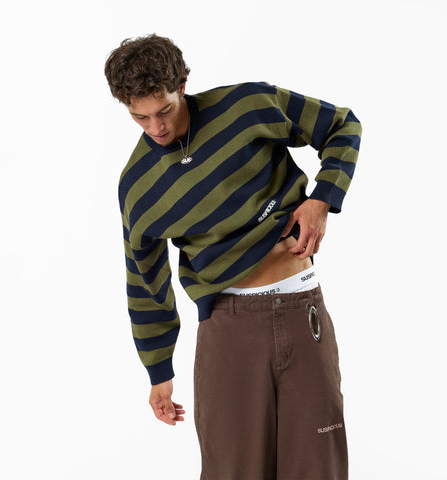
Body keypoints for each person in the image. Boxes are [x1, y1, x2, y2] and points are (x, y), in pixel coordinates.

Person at [105, 33, 361, 480]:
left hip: (303, 312)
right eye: (139, 117)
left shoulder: (246, 106)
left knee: (320, 468)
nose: (156, 127)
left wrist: (322, 199)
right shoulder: (138, 186)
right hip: (228, 328)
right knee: (232, 472)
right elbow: (146, 284)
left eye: (163, 110)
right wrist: (159, 373)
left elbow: (342, 125)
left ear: (181, 86)